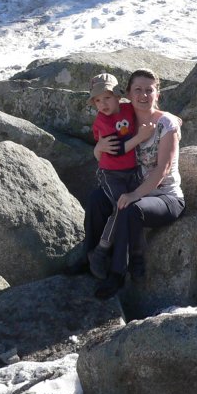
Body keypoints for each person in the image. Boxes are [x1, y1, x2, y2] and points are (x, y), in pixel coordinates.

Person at [84, 68, 185, 299]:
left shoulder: (166, 124)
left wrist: (135, 194)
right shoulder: (123, 118)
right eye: (137, 89)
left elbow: (163, 169)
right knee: (97, 198)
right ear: (128, 94)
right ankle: (89, 257)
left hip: (165, 197)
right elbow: (106, 155)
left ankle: (117, 274)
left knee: (129, 208)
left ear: (157, 94)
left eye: (149, 90)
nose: (143, 95)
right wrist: (97, 148)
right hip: (132, 187)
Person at [86, 73, 156, 278]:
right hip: (111, 174)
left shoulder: (127, 109)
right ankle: (100, 251)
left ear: (118, 96)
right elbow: (116, 150)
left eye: (107, 97)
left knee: (135, 209)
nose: (103, 104)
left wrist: (171, 118)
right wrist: (141, 137)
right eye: (97, 100)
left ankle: (136, 255)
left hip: (131, 171)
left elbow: (148, 110)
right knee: (121, 207)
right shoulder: (102, 121)